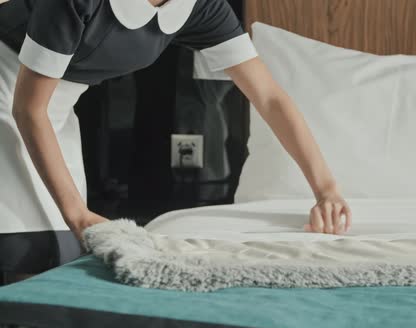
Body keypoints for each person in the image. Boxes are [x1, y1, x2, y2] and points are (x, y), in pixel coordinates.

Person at [0, 0, 352, 280]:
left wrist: (326, 189)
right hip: (11, 91)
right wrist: (77, 214)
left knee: (66, 251)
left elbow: (269, 97)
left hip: (54, 106)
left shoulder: (200, 7)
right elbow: (29, 109)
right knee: (29, 245)